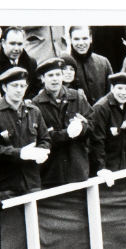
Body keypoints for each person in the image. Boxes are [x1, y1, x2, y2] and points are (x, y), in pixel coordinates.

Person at [0, 67, 51, 198]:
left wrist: (41, 151)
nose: (19, 90)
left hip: (32, 182)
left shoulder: (34, 111)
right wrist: (20, 153)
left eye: (22, 86)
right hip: (7, 185)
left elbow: (45, 139)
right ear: (5, 88)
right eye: (14, 85)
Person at [32, 57, 92, 187]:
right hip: (52, 172)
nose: (55, 79)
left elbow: (92, 123)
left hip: (78, 168)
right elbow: (42, 137)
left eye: (58, 74)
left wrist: (82, 127)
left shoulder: (76, 97)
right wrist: (68, 134)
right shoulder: (35, 105)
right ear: (42, 79)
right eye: (50, 75)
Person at [88, 72, 126, 177]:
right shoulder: (101, 108)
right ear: (112, 88)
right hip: (105, 168)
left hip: (123, 163)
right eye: (120, 88)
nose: (123, 93)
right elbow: (97, 141)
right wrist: (101, 168)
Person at [0, 27, 38, 98]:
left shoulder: (31, 62)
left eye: (19, 44)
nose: (16, 48)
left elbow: (36, 89)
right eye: (12, 44)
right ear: (3, 43)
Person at [68, 25, 113, 105]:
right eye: (76, 39)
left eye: (85, 38)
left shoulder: (103, 62)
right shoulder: (64, 65)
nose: (81, 43)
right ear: (70, 40)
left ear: (91, 38)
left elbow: (111, 94)